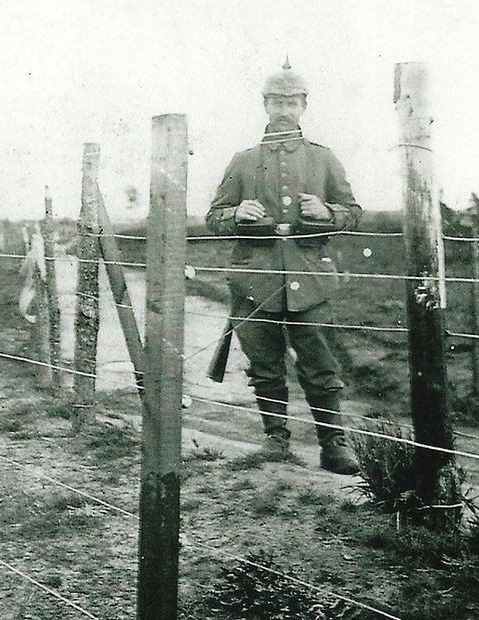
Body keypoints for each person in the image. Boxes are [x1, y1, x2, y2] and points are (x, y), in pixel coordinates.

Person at [205, 59, 361, 475]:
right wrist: (237, 212)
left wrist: (327, 211)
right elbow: (213, 217)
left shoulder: (324, 160)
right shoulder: (242, 161)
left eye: (291, 101)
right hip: (255, 280)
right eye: (276, 101)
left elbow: (353, 212)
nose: (283, 109)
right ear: (265, 105)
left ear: (304, 105)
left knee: (319, 363)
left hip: (309, 280)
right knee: (264, 364)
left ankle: (333, 445)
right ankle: (277, 440)